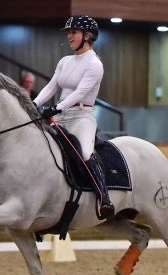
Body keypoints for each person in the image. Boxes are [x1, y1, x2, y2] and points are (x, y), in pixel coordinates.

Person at [32, 14, 114, 217]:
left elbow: (80, 93)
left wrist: (57, 107)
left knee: (85, 153)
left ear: (87, 36)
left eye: (73, 32)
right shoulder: (65, 61)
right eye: (69, 32)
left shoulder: (94, 64)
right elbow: (52, 86)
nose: (69, 36)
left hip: (81, 116)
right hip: (60, 114)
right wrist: (33, 104)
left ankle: (104, 199)